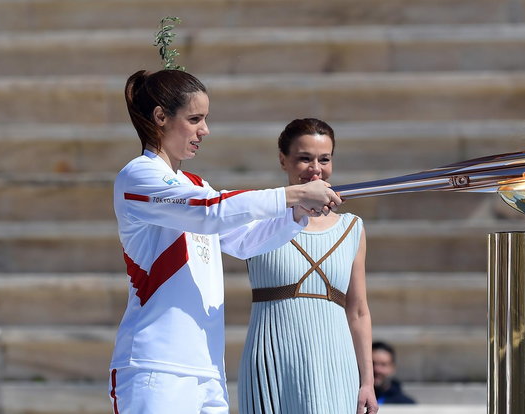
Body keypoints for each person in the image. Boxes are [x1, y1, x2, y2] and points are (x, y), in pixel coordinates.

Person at [109, 70, 341, 414]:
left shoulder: (196, 185)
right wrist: (293, 193)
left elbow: (245, 241)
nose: (205, 130)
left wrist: (296, 212)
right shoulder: (138, 176)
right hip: (156, 368)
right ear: (161, 117)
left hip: (207, 368)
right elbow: (212, 212)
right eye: (195, 119)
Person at [238, 118, 378, 414]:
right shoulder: (258, 219)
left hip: (335, 362)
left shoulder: (352, 228)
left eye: (324, 159)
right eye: (304, 158)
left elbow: (359, 310)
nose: (316, 168)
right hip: (272, 359)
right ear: (283, 160)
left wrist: (367, 382)